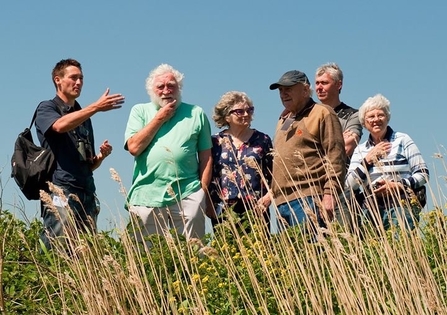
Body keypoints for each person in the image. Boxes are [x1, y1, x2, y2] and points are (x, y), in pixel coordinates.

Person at [35, 58, 125, 249]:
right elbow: (59, 126)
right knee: (57, 249)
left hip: (86, 192)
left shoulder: (84, 116)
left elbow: (89, 164)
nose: (79, 82)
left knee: (85, 252)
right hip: (61, 190)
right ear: (57, 80)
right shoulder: (47, 108)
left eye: (81, 78)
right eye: (73, 77)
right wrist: (95, 108)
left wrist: (101, 157)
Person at [124, 64, 212, 244]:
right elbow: (134, 147)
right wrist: (160, 117)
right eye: (160, 87)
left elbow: (206, 156)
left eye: (171, 85)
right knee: (147, 256)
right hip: (146, 194)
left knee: (194, 253)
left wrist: (201, 192)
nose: (166, 90)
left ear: (179, 88)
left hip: (188, 191)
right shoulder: (139, 111)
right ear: (152, 91)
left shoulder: (196, 113)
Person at [269, 70, 346, 231]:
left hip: (308, 197)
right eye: (281, 90)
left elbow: (335, 156)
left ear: (305, 90)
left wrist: (330, 194)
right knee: (293, 255)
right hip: (282, 202)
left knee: (312, 251)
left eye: (288, 89)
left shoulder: (322, 113)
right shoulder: (285, 119)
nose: (283, 94)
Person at [346, 94, 429, 231]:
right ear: (364, 122)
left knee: (401, 243)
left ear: (387, 118)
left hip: (402, 205)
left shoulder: (402, 139)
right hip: (372, 210)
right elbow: (349, 185)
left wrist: (397, 185)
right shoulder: (360, 150)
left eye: (381, 115)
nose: (376, 120)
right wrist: (367, 161)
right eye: (371, 116)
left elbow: (423, 174)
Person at [208, 91, 273, 233]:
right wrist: (208, 204)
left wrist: (268, 198)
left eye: (249, 110)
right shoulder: (215, 142)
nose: (246, 114)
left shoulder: (263, 140)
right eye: (239, 111)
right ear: (227, 116)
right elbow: (208, 174)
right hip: (223, 209)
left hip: (256, 208)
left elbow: (275, 174)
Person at [315, 62, 363, 159]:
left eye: (324, 83)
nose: (319, 88)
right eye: (317, 83)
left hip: (339, 173)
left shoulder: (353, 115)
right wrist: (339, 139)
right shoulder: (309, 113)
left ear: (338, 85)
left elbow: (346, 149)